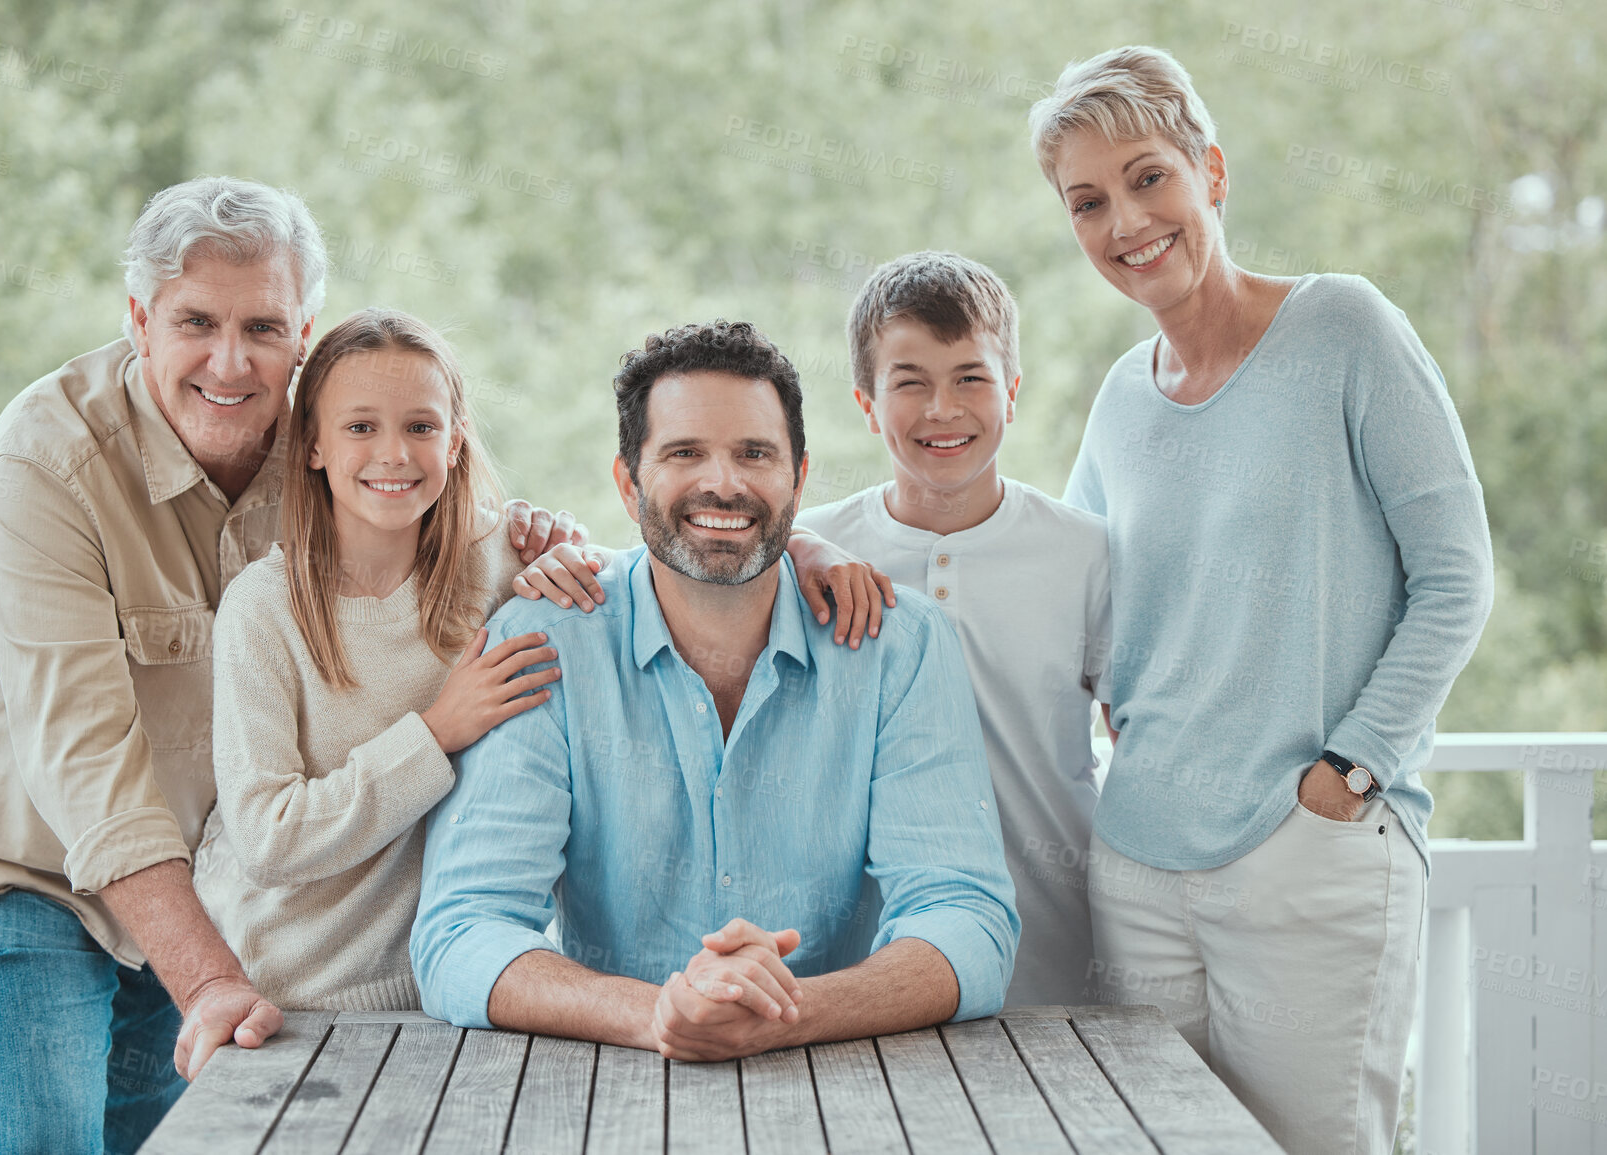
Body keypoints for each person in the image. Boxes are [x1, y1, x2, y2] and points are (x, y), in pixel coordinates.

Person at [0, 177, 581, 1154]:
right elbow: (85, 761)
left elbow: (436, 496)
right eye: (196, 322)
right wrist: (211, 977)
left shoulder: (319, 432)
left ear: (303, 332)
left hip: (195, 883)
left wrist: (537, 537)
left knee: (161, 1140)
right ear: (139, 322)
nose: (231, 361)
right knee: (48, 1142)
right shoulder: (45, 461)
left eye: (263, 326)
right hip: (30, 869)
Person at [1028, 46, 1494, 1155]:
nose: (1126, 222)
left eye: (1149, 178)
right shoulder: (1120, 401)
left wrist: (1350, 772)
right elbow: (1073, 588)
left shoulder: (1345, 331)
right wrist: (832, 551)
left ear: (1213, 173)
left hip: (1307, 852)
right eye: (1087, 202)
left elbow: (1456, 575)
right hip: (1137, 859)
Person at [410, 319, 1019, 1059]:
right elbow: (461, 932)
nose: (723, 482)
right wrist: (659, 1013)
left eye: (754, 453)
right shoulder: (544, 641)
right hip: (597, 1080)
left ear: (798, 476)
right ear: (627, 480)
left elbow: (967, 921)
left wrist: (789, 1011)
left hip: (849, 1079)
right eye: (684, 453)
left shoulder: (901, 646)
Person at [194, 308, 563, 1011]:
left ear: (454, 443)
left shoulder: (498, 559)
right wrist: (437, 731)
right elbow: (267, 838)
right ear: (313, 446)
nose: (393, 454)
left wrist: (807, 548)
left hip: (452, 993)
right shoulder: (263, 608)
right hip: (286, 1001)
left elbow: (652, 581)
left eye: (420, 427)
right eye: (361, 427)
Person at [795, 250, 1111, 1006]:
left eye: (970, 376)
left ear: (1013, 391)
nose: (942, 409)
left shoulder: (1088, 553)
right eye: (909, 382)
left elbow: (1145, 743)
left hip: (1057, 961)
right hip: (861, 977)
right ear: (867, 403)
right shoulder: (805, 552)